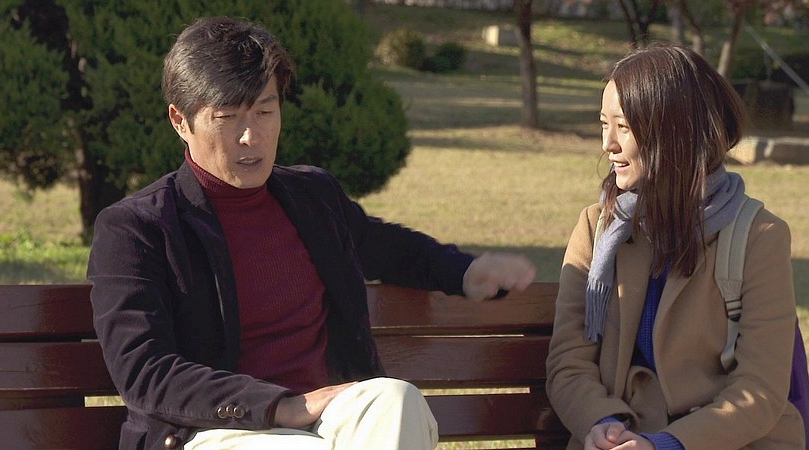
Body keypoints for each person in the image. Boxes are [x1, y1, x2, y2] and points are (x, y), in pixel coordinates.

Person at [87, 16, 537, 450]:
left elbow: (387, 247)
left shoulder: (311, 197)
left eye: (265, 111)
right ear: (180, 121)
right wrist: (280, 406)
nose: (251, 136)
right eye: (227, 117)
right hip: (217, 430)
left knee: (396, 400)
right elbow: (145, 371)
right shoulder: (137, 229)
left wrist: (465, 271)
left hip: (330, 419)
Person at [545, 43, 804, 450]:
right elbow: (569, 364)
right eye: (603, 124)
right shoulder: (597, 228)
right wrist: (603, 424)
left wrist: (665, 444)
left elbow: (759, 389)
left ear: (674, 132)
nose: (607, 144)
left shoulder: (759, 236)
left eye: (624, 127)